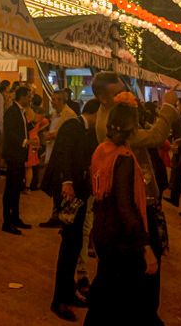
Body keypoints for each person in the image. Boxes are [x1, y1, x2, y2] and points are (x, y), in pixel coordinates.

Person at [92, 72, 178, 325]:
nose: (126, 97)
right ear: (103, 99)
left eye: (125, 92)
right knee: (136, 277)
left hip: (114, 222)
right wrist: (169, 107)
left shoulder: (110, 133)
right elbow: (125, 204)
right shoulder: (120, 141)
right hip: (133, 217)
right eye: (119, 94)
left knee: (111, 281)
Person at [85, 92, 158, 326]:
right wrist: (144, 244)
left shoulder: (101, 151)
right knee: (122, 299)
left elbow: (98, 191)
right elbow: (125, 205)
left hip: (103, 230)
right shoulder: (124, 157)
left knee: (105, 289)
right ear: (133, 129)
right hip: (121, 238)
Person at [42, 98, 99, 322]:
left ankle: (68, 292)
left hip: (80, 195)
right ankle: (59, 300)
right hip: (68, 194)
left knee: (75, 245)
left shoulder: (86, 131)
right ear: (95, 114)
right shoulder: (73, 125)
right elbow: (63, 155)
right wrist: (67, 182)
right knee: (68, 247)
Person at [39, 90, 77, 228]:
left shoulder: (70, 115)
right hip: (51, 153)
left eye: (54, 99)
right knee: (54, 188)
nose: (52, 102)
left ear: (61, 101)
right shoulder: (54, 114)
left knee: (59, 187)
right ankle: (57, 215)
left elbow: (66, 135)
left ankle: (62, 217)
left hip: (61, 156)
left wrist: (52, 135)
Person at [75, 99, 101, 298]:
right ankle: (82, 274)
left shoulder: (96, 132)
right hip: (88, 189)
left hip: (96, 190)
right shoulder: (82, 129)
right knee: (84, 229)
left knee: (87, 228)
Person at [1, 86, 34, 234]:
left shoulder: (20, 111)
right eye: (28, 96)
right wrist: (25, 141)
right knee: (11, 189)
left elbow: (22, 129)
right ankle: (7, 222)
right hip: (13, 155)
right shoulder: (12, 112)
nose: (30, 99)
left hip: (19, 155)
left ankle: (15, 218)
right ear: (21, 97)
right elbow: (11, 133)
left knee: (16, 189)